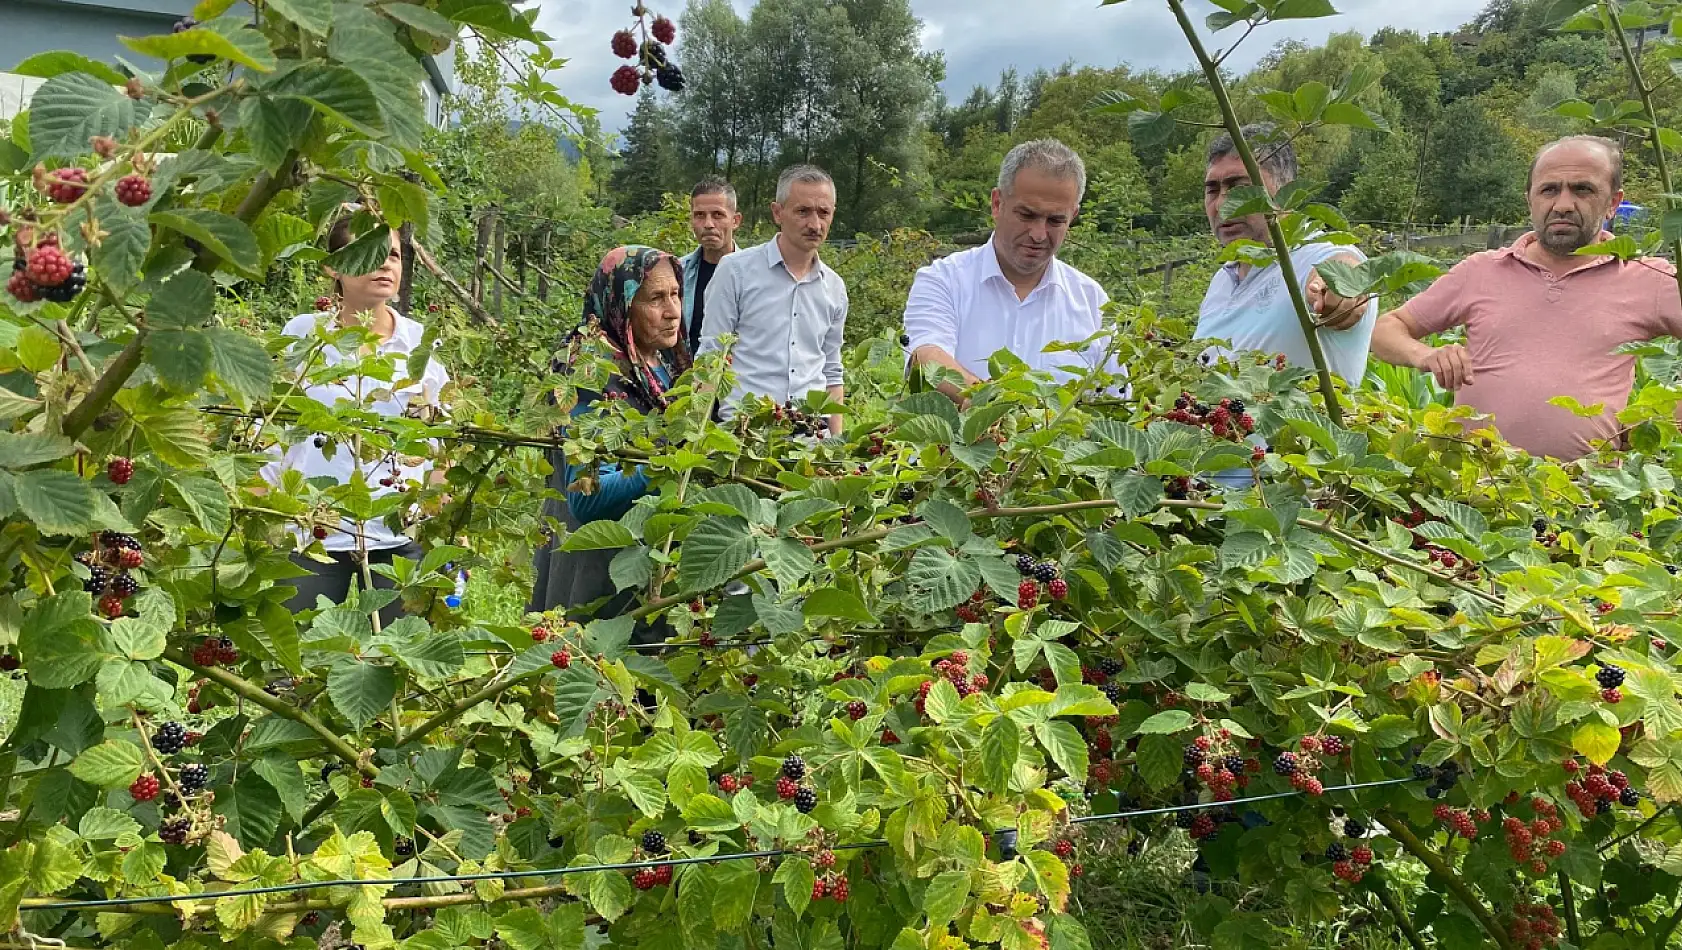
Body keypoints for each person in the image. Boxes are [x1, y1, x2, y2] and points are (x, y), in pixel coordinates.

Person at [1370, 135, 1682, 461]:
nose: (1562, 203)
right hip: (1471, 487)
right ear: (1529, 199)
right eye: (1549, 189)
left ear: (1613, 202)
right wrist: (1424, 356)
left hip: (1584, 500)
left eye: (1582, 189)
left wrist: (1662, 418)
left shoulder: (1650, 278)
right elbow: (1386, 330)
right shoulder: (1480, 272)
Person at [263, 219, 449, 629]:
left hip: (394, 535)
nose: (385, 266)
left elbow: (439, 440)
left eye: (395, 256)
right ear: (334, 267)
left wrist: (437, 512)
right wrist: (261, 507)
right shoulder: (304, 336)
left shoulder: (420, 344)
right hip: (312, 533)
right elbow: (273, 427)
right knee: (291, 664)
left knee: (399, 661)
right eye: (370, 256)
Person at [530, 246, 691, 618]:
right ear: (622, 304)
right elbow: (588, 497)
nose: (672, 311)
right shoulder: (591, 371)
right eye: (655, 298)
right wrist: (672, 462)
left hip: (647, 557)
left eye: (676, 294)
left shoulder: (659, 359)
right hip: (599, 570)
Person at [904, 139, 1115, 404]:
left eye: (1055, 220)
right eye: (1027, 215)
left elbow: (1113, 395)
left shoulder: (1093, 303)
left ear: (1072, 216)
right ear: (997, 204)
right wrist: (996, 408)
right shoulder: (944, 281)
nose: (1039, 234)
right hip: (958, 445)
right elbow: (925, 357)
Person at [1196, 123, 1377, 383]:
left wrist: (1338, 290)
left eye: (1240, 188)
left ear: (1285, 193)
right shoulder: (1221, 281)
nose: (1223, 204)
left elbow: (1344, 270)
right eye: (1213, 190)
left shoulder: (1314, 256)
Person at [696, 164, 848, 434]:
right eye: (803, 211)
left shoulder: (834, 288)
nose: (815, 224)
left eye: (823, 212)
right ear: (778, 213)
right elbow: (711, 356)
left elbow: (832, 371)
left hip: (812, 439)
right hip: (746, 433)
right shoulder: (736, 271)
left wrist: (838, 450)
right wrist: (699, 435)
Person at [678, 176, 742, 354]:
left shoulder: (755, 275)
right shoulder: (677, 272)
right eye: (699, 215)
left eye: (718, 215)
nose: (708, 224)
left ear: (735, 220)